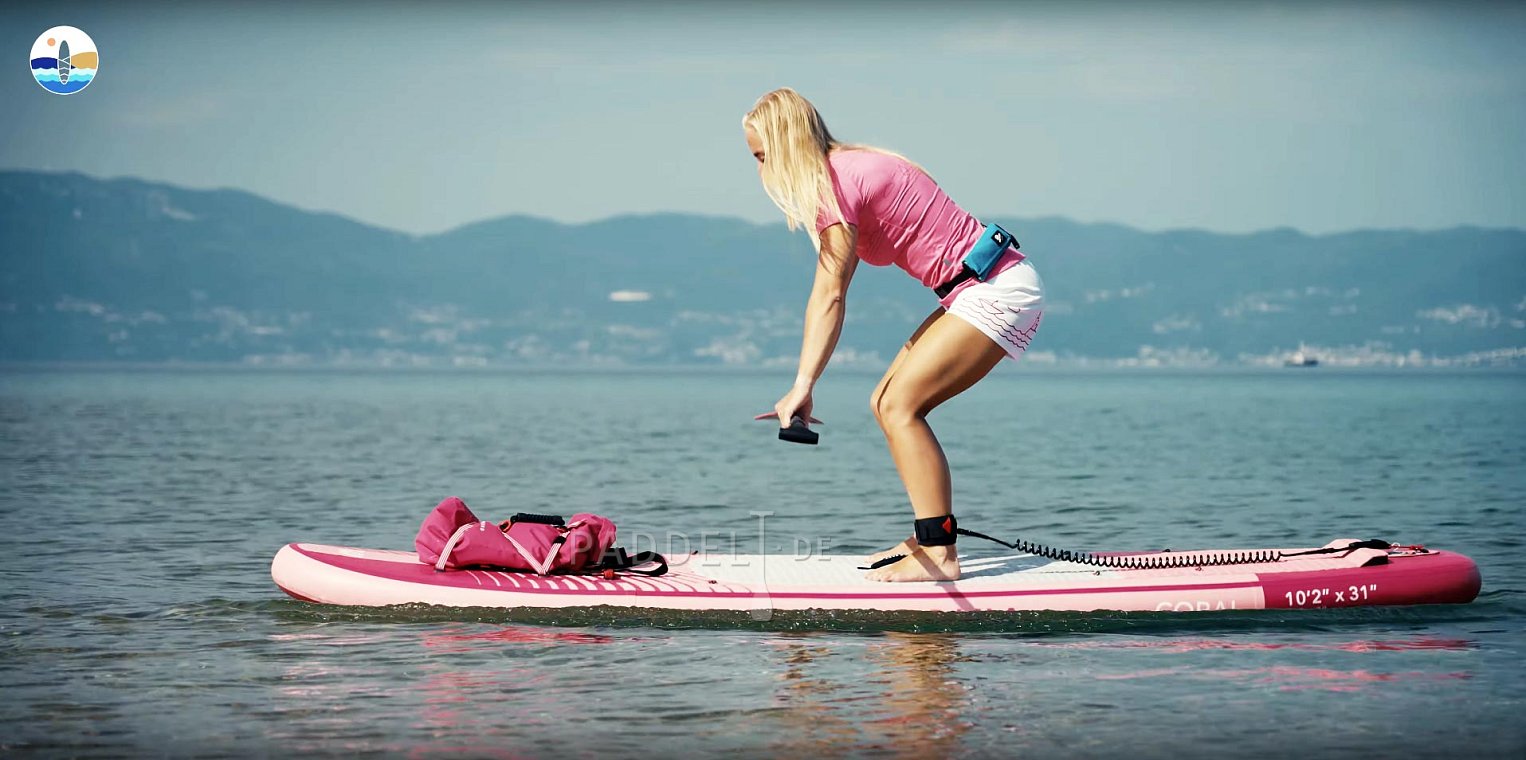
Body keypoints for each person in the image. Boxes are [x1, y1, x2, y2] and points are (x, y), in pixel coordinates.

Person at [743, 87, 1045, 582]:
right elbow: (835, 292)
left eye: (761, 156)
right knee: (885, 401)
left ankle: (940, 553)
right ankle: (928, 537)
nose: (759, 171)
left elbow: (829, 296)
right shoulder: (854, 167)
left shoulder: (835, 188)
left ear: (786, 146)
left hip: (997, 289)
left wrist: (802, 385)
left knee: (901, 407)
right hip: (979, 288)